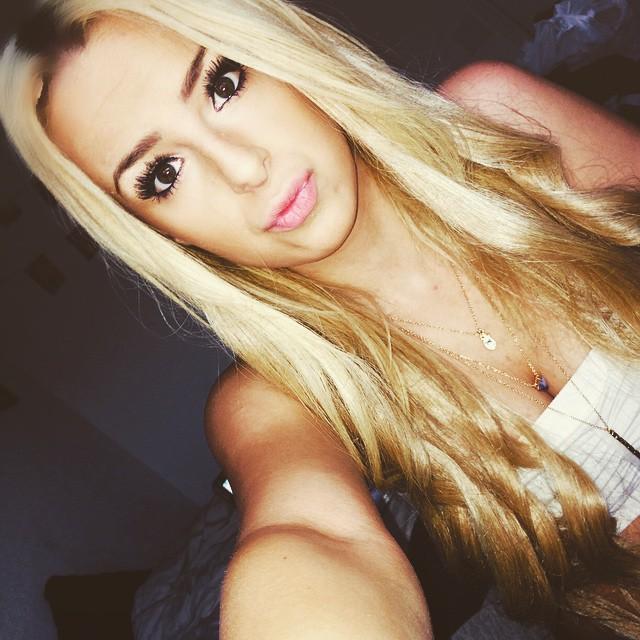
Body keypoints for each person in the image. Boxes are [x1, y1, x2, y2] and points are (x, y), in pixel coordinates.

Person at [2, 1, 639, 638]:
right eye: (163, 174)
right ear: (159, 233)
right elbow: (309, 534)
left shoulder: (499, 120)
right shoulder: (276, 396)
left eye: (224, 82)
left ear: (282, 50)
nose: (245, 169)